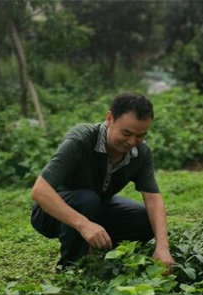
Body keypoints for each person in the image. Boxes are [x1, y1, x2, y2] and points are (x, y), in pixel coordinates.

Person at [30, 92, 175, 273]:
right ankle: (71, 269)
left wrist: (162, 246)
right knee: (87, 199)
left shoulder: (141, 153)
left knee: (145, 219)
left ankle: (103, 252)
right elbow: (40, 191)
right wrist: (84, 225)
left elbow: (153, 199)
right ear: (109, 119)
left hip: (96, 207)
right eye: (126, 133)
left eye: (140, 136)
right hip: (50, 213)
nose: (132, 142)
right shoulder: (81, 139)